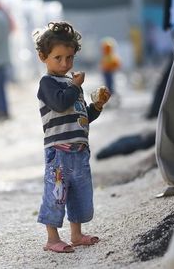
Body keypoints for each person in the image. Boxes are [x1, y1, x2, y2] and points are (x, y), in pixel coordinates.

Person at [33, 21, 111, 253]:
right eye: (58, 58)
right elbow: (60, 103)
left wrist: (96, 106)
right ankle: (52, 238)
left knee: (79, 193)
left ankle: (76, 234)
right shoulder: (47, 83)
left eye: (69, 58)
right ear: (42, 57)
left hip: (79, 151)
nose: (65, 63)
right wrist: (76, 87)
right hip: (59, 152)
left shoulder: (70, 83)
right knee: (56, 195)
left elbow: (82, 117)